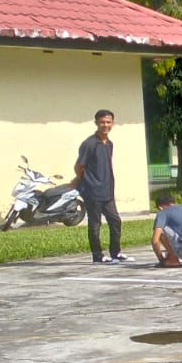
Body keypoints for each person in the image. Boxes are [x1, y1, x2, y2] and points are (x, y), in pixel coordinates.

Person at [73, 108, 130, 264]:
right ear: (96, 123)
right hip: (92, 191)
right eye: (102, 122)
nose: (105, 125)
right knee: (95, 223)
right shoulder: (89, 144)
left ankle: (115, 252)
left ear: (113, 123)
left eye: (108, 122)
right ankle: (97, 256)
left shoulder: (109, 144)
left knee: (115, 221)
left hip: (107, 190)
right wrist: (85, 181)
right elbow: (79, 166)